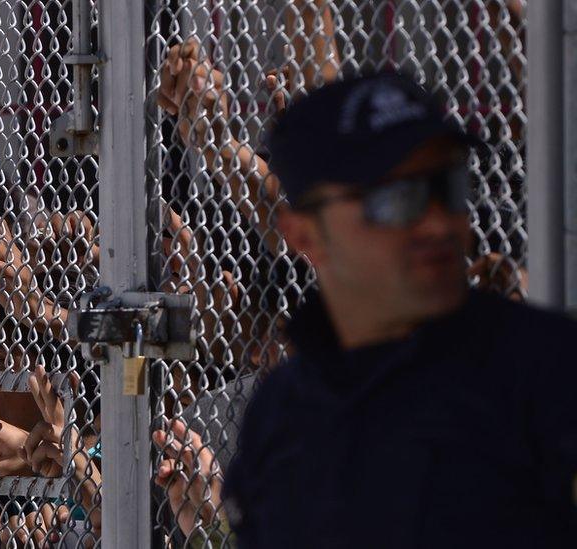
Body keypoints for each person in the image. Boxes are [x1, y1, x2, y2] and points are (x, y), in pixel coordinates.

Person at [219, 71, 577, 548]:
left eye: (445, 186)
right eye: (394, 200)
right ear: (304, 234)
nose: (437, 223)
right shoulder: (283, 413)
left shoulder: (550, 374)